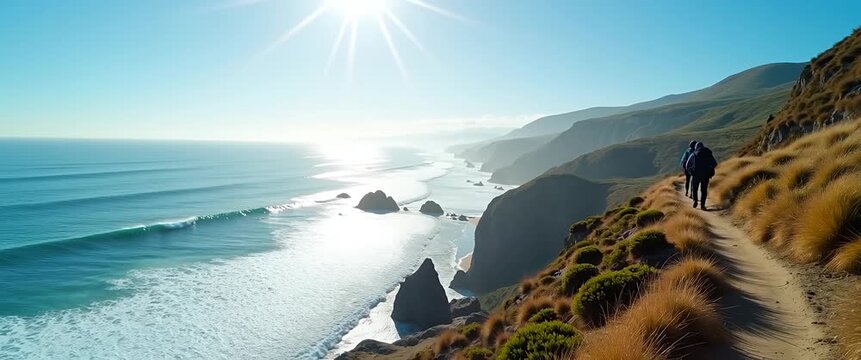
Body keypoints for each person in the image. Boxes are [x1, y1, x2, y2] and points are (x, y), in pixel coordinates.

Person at [686, 142, 718, 210]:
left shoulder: (694, 154)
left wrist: (691, 172)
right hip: (706, 175)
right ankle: (703, 205)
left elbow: (687, 165)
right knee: (704, 190)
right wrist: (709, 169)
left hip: (696, 175)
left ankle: (695, 201)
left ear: (696, 147)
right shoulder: (708, 153)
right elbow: (715, 163)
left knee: (695, 189)